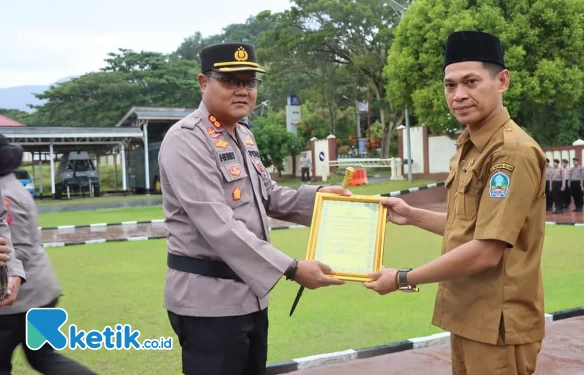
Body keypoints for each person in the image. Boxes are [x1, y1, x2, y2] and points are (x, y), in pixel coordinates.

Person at [158, 42, 347, 375]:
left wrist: (321, 200)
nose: (242, 90)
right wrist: (291, 268)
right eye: (230, 81)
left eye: (249, 81)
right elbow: (219, 224)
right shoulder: (186, 140)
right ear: (204, 83)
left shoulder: (243, 135)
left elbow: (267, 194)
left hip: (249, 297)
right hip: (208, 302)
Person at [364, 31, 546, 374]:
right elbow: (469, 227)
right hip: (469, 316)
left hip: (498, 325)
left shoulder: (510, 151)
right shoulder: (471, 145)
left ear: (502, 80)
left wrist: (402, 277)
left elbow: (486, 249)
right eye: (450, 85)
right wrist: (413, 215)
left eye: (471, 81)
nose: (459, 95)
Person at [0, 135, 98, 375]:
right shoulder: (12, 186)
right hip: (41, 294)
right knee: (43, 357)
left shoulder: (5, 196)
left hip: (19, 300)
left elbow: (14, 249)